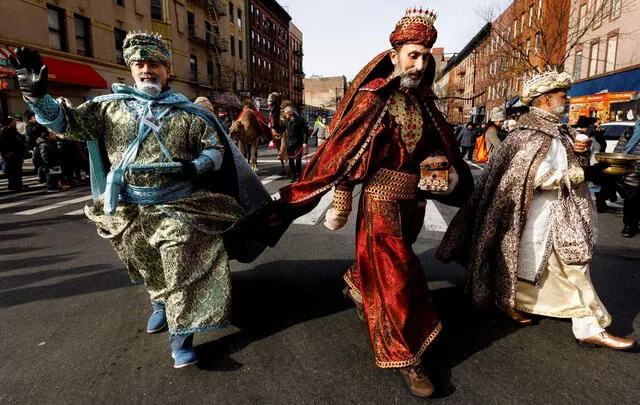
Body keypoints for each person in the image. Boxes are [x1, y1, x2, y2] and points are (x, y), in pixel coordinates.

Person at [10, 33, 270, 368]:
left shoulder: (187, 113)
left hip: (178, 205)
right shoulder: (108, 107)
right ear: (131, 69)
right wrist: (36, 96)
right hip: (128, 207)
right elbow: (68, 124)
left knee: (181, 264)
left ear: (167, 69)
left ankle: (182, 337)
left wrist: (194, 165)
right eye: (139, 64)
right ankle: (160, 304)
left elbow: (213, 148)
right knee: (148, 263)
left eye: (154, 64)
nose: (146, 70)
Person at [267, 8, 473, 397]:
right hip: (379, 202)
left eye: (425, 56)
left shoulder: (426, 104)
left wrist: (443, 173)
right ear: (394, 55)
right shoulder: (371, 99)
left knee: (388, 268)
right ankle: (406, 355)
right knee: (400, 276)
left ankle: (357, 282)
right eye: (413, 54)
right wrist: (342, 199)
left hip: (415, 202)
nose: (420, 63)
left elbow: (438, 147)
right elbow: (344, 151)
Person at [437, 69, 636, 350]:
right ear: (545, 100)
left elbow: (559, 163)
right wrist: (576, 176)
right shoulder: (528, 135)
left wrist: (580, 153)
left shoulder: (557, 130)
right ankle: (583, 325)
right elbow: (531, 176)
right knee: (561, 267)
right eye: (561, 95)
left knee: (565, 267)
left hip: (560, 215)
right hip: (538, 217)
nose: (566, 100)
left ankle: (583, 324)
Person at [614, 118, 640, 237]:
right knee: (631, 200)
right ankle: (629, 225)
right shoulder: (630, 131)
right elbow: (620, 150)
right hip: (631, 172)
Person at [0, 116, 27, 191]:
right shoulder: (4, 131)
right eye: (13, 122)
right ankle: (13, 185)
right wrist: (7, 153)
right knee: (12, 171)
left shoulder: (14, 130)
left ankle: (18, 184)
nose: (15, 123)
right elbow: (2, 144)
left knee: (18, 170)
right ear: (9, 124)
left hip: (17, 154)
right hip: (10, 155)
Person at [283, 104, 308, 183]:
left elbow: (304, 132)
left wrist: (304, 142)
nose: (285, 114)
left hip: (298, 143)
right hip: (289, 143)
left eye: (286, 113)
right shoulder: (286, 121)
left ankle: (298, 176)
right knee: (291, 161)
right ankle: (293, 175)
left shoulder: (299, 120)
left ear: (290, 112)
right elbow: (282, 129)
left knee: (297, 160)